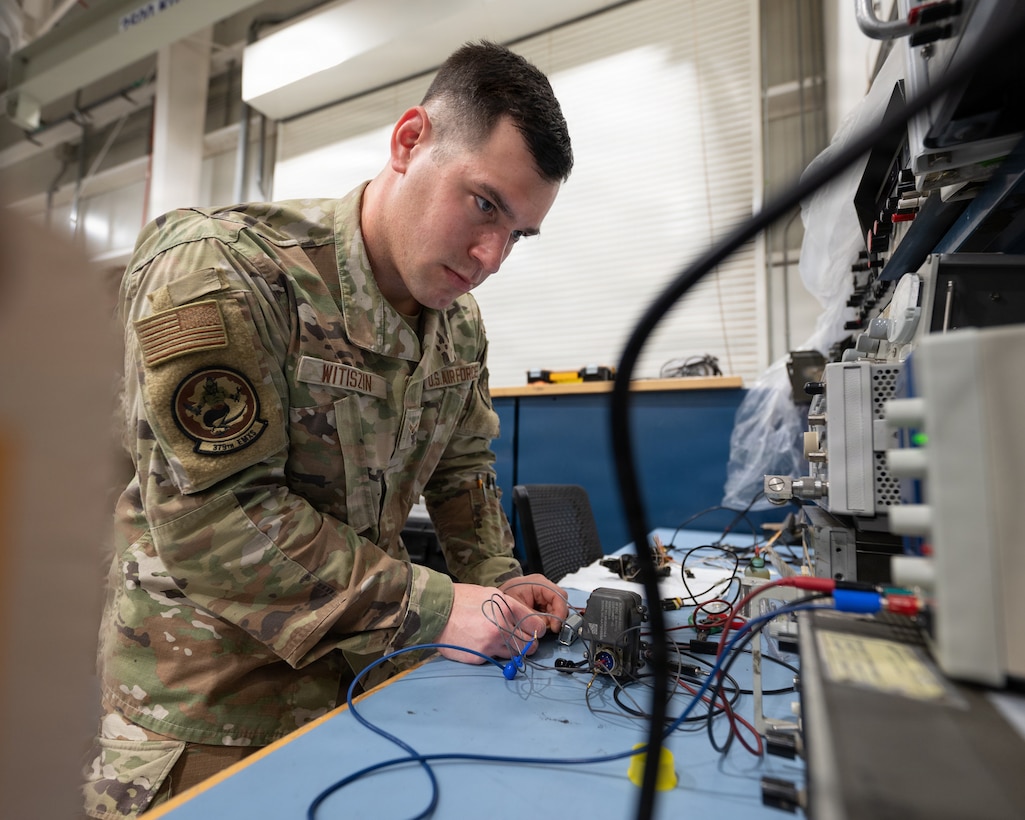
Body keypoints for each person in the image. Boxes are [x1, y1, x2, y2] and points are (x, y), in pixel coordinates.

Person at [83, 40, 573, 818]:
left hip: (367, 688)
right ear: (408, 141)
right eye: (484, 205)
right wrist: (435, 608)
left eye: (518, 233)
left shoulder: (456, 323)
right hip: (215, 709)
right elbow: (217, 524)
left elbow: (461, 469)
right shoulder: (224, 269)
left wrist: (499, 578)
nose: (491, 257)